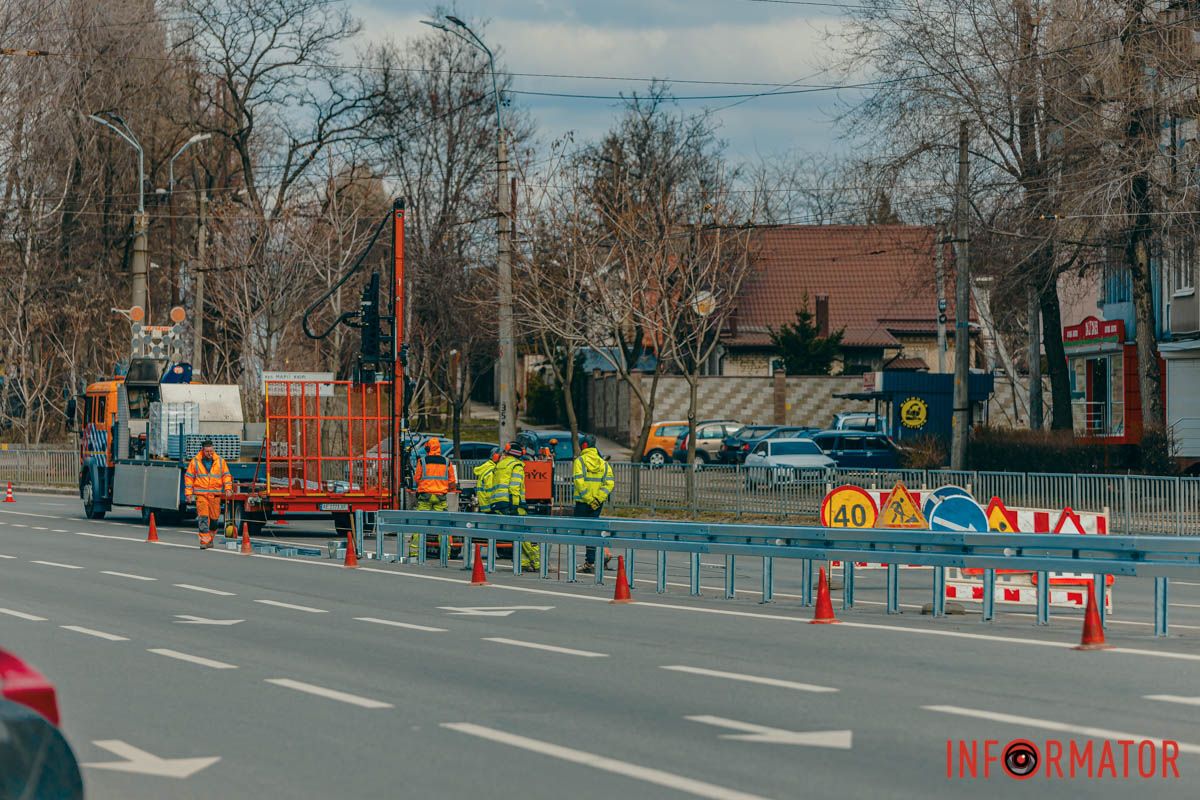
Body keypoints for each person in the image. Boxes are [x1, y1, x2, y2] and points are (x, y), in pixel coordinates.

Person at [494, 442, 539, 571]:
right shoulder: (516, 465)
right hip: (512, 503)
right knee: (525, 533)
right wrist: (515, 505)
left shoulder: (501, 464)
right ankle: (538, 562)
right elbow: (514, 487)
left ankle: (524, 562)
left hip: (499, 502)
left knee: (517, 533)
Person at [410, 438, 457, 557]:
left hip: (425, 497)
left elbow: (417, 479)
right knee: (442, 526)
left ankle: (415, 552)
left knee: (420, 524)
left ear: (428, 448)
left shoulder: (422, 461)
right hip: (440, 497)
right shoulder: (447, 461)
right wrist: (446, 488)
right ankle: (446, 554)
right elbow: (452, 481)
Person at [573, 439, 614, 573]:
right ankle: (592, 560)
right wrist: (596, 500)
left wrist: (588, 499)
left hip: (582, 503)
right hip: (596, 504)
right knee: (592, 531)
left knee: (575, 532)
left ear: (584, 446)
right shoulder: (603, 463)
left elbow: (579, 482)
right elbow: (609, 484)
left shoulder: (580, 461)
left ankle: (590, 561)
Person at [185, 439, 232, 549]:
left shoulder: (220, 461)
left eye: (211, 451)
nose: (210, 453)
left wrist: (228, 488)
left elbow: (226, 475)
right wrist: (188, 493)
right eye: (207, 452)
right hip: (201, 495)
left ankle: (210, 539)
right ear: (203, 450)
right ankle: (204, 541)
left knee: (214, 520)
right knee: (203, 518)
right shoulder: (195, 462)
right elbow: (189, 477)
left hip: (215, 495)